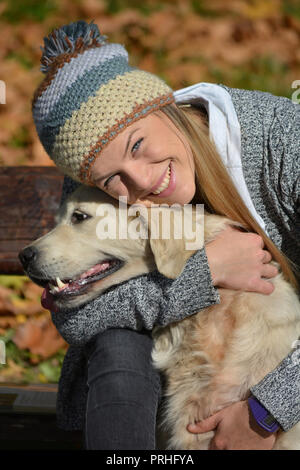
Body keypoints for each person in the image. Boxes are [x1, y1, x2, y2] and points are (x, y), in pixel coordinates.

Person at [31, 20, 299, 450]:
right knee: (115, 335)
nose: (140, 181)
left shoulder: (283, 140)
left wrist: (265, 413)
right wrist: (204, 273)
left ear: (164, 106)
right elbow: (74, 316)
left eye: (137, 145)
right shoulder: (93, 173)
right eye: (110, 180)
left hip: (280, 360)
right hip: (162, 377)